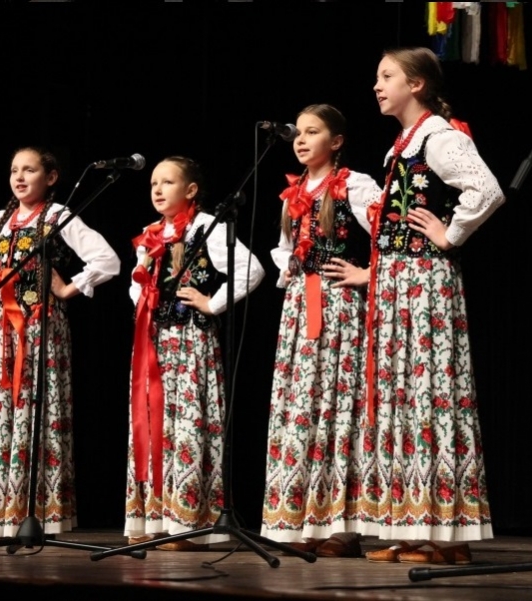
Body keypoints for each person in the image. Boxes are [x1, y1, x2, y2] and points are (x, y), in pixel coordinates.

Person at [361, 47, 504, 563]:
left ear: (417, 84)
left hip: (425, 282)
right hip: (398, 284)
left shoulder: (439, 137)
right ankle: (412, 526)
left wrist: (451, 234)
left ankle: (449, 535)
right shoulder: (402, 144)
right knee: (403, 397)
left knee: (431, 394)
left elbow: (486, 190)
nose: (377, 86)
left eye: (387, 76)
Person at [0, 146, 120, 538]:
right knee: (2, 410)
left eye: (29, 170)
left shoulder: (57, 217)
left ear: (50, 178)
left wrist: (68, 289)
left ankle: (37, 511)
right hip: (2, 332)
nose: (19, 177)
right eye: (14, 170)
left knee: (37, 410)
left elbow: (107, 260)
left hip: (39, 329)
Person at [259, 104, 382, 557]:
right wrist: (291, 268)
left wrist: (366, 273)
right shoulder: (293, 193)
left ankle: (343, 527)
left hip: (339, 309)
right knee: (303, 408)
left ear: (337, 141)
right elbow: (284, 248)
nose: (301, 139)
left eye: (313, 132)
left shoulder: (355, 184)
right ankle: (303, 519)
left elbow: (389, 234)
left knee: (337, 407)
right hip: (299, 308)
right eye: (299, 132)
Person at [126, 156, 264, 550]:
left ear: (190, 190)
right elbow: (136, 282)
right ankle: (156, 518)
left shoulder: (207, 226)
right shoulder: (151, 233)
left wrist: (212, 303)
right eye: (153, 183)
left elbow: (251, 269)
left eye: (167, 182)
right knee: (154, 426)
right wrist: (144, 301)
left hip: (190, 341)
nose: (157, 189)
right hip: (155, 341)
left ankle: (187, 522)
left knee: (187, 426)